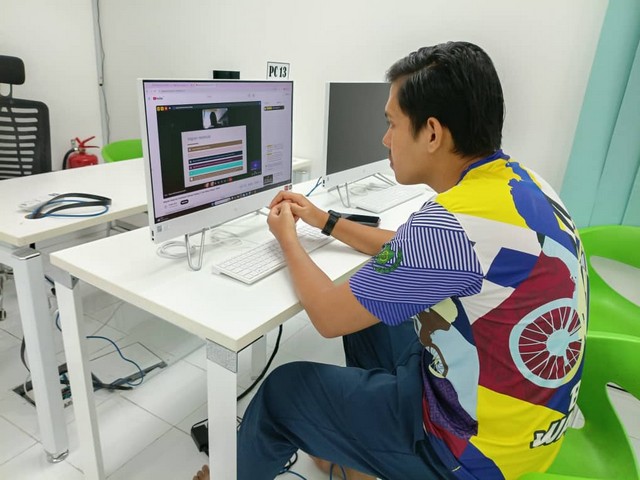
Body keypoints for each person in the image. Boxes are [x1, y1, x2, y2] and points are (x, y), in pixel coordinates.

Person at [196, 40, 588, 480]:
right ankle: (363, 456)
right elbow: (406, 251)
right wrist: (326, 221)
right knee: (372, 319)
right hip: (526, 427)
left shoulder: (448, 225)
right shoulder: (520, 184)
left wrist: (287, 238)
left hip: (473, 452)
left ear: (432, 133)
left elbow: (327, 316)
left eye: (392, 124)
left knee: (283, 394)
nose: (385, 139)